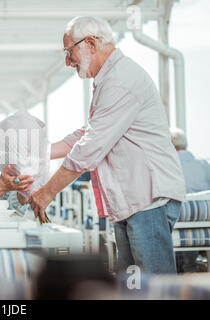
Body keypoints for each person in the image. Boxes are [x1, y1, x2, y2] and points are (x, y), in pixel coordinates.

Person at [29, 16, 186, 274]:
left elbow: (89, 147)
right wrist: (41, 153)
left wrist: (47, 193)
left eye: (69, 52)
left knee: (154, 288)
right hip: (135, 200)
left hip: (148, 198)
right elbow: (88, 133)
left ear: (90, 43)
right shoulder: (109, 78)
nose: (67, 61)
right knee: (132, 286)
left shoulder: (120, 79)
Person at [170, 127, 210, 273]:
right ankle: (190, 268)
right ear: (185, 144)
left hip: (178, 220)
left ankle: (176, 270)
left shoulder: (169, 166)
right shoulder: (204, 165)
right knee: (191, 219)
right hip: (205, 222)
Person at [170, 128, 210, 193]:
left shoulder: (168, 167)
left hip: (182, 202)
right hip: (205, 202)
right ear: (185, 144)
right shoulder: (203, 164)